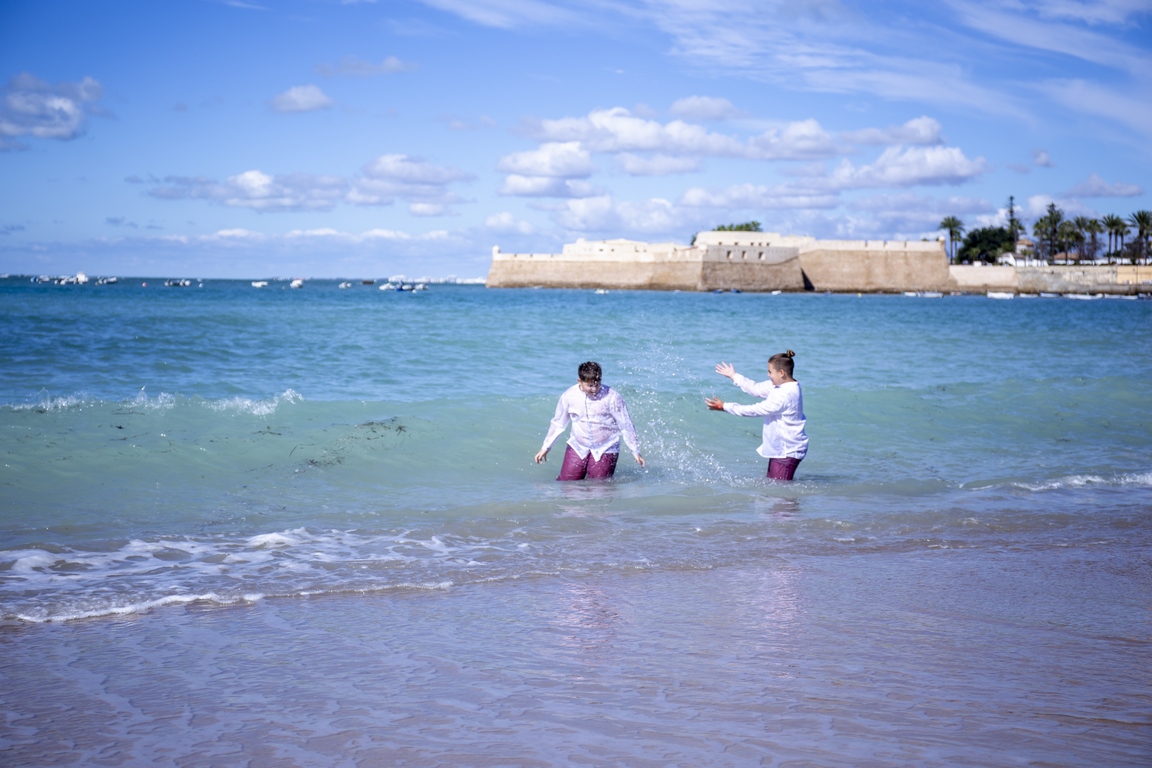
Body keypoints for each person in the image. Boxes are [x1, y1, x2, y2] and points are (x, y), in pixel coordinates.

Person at [705, 350, 808, 480]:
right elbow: (756, 389)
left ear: (781, 373)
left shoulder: (785, 395)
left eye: (770, 372)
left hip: (787, 451)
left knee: (779, 489)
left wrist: (725, 406)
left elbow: (755, 410)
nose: (768, 375)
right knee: (774, 486)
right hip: (782, 449)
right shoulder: (783, 385)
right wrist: (734, 376)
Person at [536, 361, 646, 481]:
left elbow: (625, 424)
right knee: (567, 484)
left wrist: (635, 451)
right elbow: (558, 423)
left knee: (598, 487)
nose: (594, 389)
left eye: (597, 384)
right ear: (579, 381)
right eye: (589, 385)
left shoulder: (612, 397)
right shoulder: (568, 396)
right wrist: (546, 447)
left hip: (606, 447)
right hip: (578, 446)